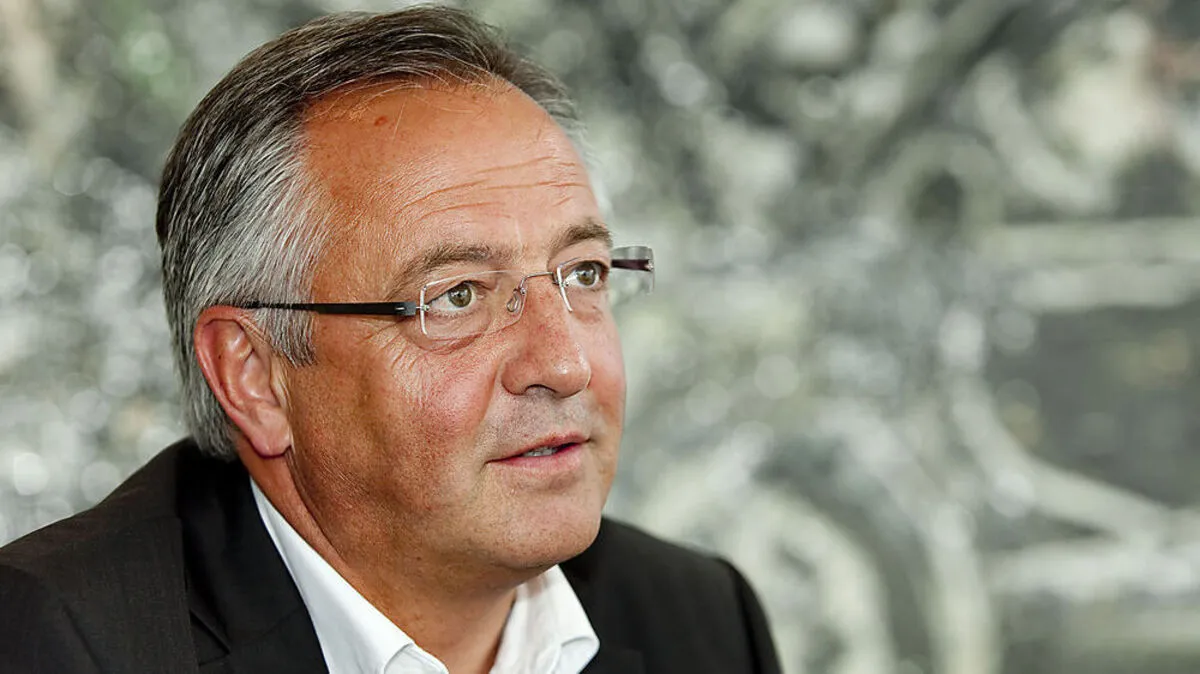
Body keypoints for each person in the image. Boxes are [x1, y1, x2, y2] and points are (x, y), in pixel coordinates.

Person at [0, 6, 781, 673]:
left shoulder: (702, 620)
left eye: (582, 275)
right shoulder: (61, 642)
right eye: (458, 297)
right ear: (255, 377)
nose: (565, 362)